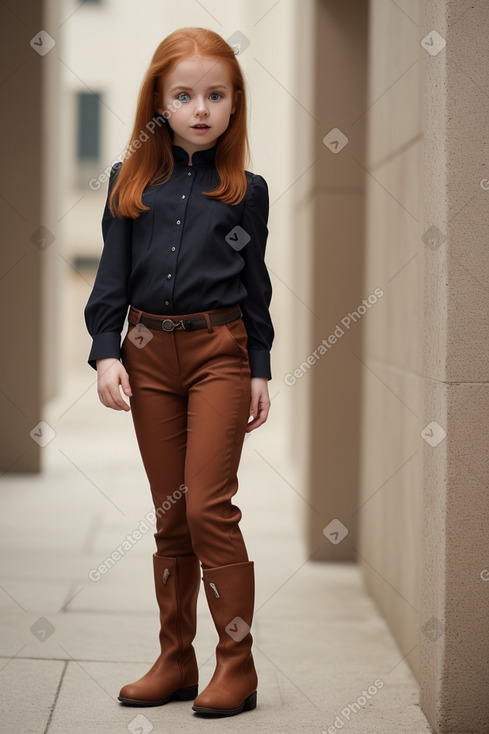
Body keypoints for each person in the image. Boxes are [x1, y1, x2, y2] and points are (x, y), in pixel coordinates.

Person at [84, 27, 274, 718]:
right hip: (146, 356)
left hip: (218, 351)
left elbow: (254, 287)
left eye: (215, 95)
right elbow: (110, 274)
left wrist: (259, 366)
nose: (201, 107)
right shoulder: (130, 182)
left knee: (207, 507)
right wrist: (107, 349)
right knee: (170, 517)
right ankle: (174, 660)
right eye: (185, 94)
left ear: (233, 104)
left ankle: (237, 664)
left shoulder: (244, 193)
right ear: (159, 104)